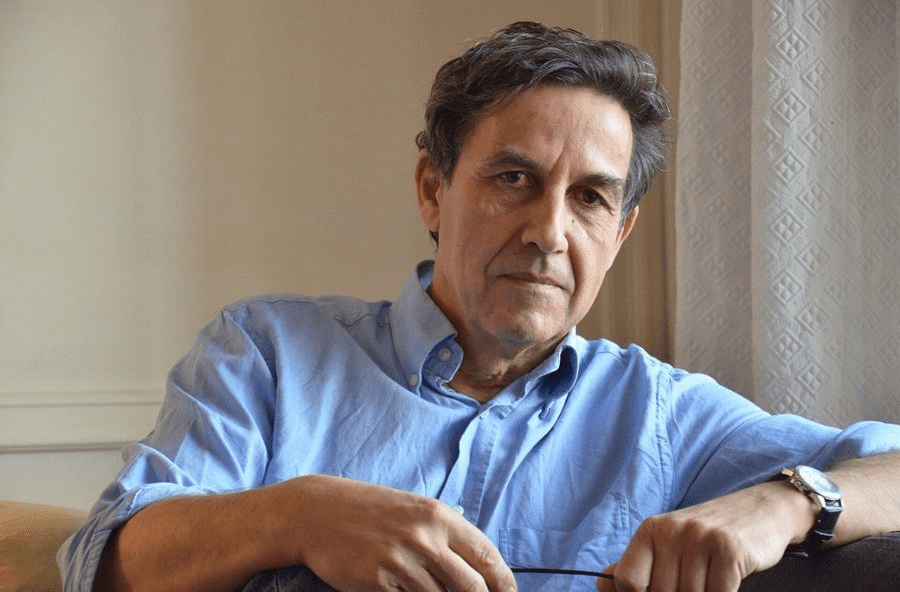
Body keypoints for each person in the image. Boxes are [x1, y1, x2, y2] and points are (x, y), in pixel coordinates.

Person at [60, 22, 900, 592]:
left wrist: (789, 500)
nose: (549, 233)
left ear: (620, 232)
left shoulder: (665, 415)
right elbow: (107, 562)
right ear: (434, 188)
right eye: (514, 178)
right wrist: (298, 514)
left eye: (591, 199)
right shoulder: (268, 351)